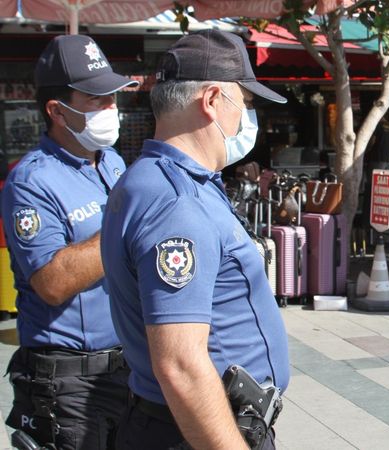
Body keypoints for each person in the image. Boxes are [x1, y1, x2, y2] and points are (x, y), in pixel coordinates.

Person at [100, 30, 290, 449]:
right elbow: (181, 365)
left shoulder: (160, 180)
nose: (247, 118)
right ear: (212, 100)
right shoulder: (176, 202)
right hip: (196, 431)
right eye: (245, 103)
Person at [1, 35, 137, 449]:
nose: (111, 107)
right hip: (69, 383)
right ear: (57, 111)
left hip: (127, 367)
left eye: (113, 96)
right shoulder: (32, 181)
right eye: (96, 99)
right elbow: (52, 282)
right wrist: (127, 224)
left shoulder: (113, 162)